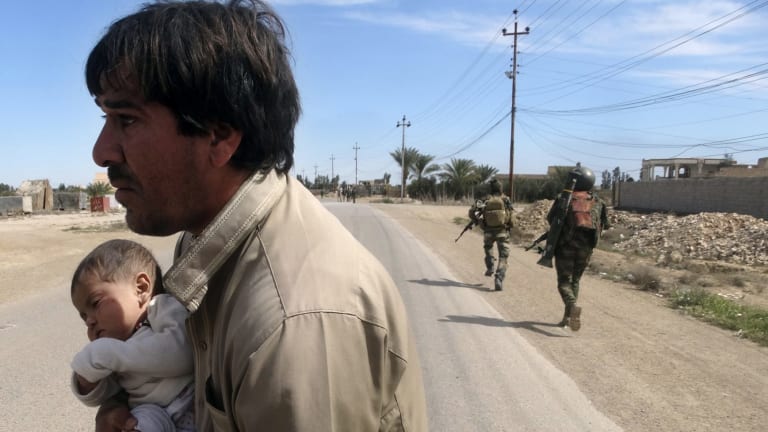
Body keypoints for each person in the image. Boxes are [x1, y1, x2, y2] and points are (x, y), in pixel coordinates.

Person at [85, 1, 428, 431]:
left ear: (219, 136)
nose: (101, 151)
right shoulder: (207, 237)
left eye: (126, 119)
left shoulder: (294, 327)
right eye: (105, 117)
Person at [70, 239, 194, 432]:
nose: (90, 322)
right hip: (148, 414)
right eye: (83, 316)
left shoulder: (162, 308)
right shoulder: (118, 346)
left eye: (95, 303)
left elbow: (182, 353)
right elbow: (106, 394)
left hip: (188, 406)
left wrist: (109, 354)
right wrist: (87, 382)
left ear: (141, 289)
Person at [546, 166, 610, 331]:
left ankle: (571, 306)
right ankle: (567, 317)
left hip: (565, 246)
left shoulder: (564, 197)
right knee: (575, 280)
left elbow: (551, 218)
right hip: (586, 249)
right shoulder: (598, 201)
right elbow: (606, 224)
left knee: (563, 282)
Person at [468, 178, 514, 291]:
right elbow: (511, 216)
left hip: (488, 231)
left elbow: (471, 212)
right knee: (503, 257)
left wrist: (478, 221)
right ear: (501, 188)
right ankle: (499, 277)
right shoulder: (506, 199)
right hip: (502, 232)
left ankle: (490, 267)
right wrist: (510, 226)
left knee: (488, 247)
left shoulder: (485, 199)